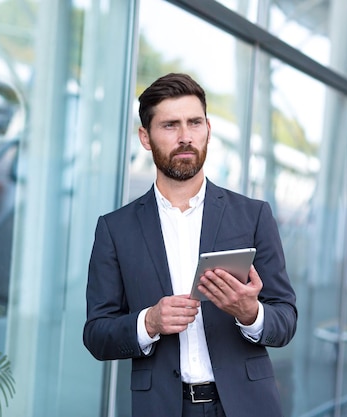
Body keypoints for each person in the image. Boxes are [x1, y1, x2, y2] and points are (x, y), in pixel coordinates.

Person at [83, 73, 297, 417]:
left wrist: (251, 314)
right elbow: (96, 334)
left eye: (194, 123)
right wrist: (148, 322)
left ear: (208, 129)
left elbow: (286, 319)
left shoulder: (253, 216)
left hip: (246, 406)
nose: (186, 137)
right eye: (170, 126)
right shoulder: (115, 229)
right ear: (145, 137)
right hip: (162, 407)